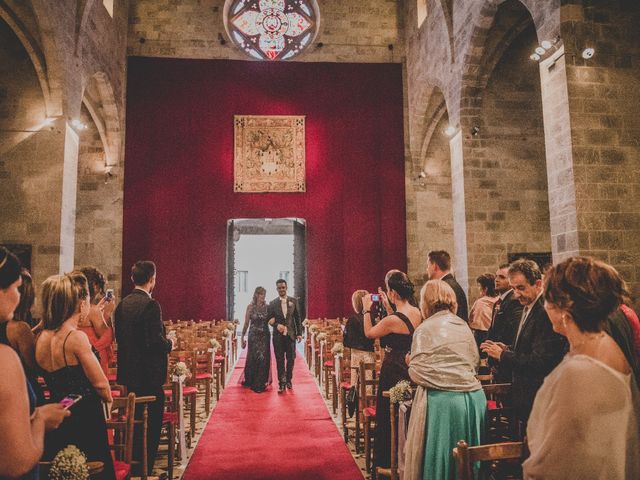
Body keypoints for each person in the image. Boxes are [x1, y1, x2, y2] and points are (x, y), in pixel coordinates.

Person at [524, 257, 640, 479]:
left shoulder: (578, 372)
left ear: (563, 307)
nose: (544, 306)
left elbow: (556, 459)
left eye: (547, 299)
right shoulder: (605, 342)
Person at [35, 271, 115, 479]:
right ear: (79, 304)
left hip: (57, 412)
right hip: (84, 417)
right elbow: (100, 384)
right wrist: (109, 399)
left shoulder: (42, 337)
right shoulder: (75, 337)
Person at [404, 280, 486, 479]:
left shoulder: (425, 328)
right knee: (469, 459)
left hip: (444, 403)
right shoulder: (463, 326)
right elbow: (473, 362)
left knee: (443, 458)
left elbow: (418, 372)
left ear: (425, 302)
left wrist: (410, 363)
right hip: (473, 398)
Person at [0, 247, 68, 479]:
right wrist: (40, 419)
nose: (19, 296)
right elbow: (16, 463)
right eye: (17, 287)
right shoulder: (5, 359)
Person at [481, 259, 567, 431]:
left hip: (539, 396)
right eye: (513, 288)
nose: (516, 294)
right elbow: (527, 347)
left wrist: (503, 355)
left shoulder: (544, 311)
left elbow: (540, 361)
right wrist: (508, 348)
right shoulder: (528, 306)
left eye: (521, 288)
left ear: (538, 284)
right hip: (526, 396)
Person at [115, 260, 173, 474]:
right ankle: (145, 469)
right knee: (151, 426)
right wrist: (170, 343)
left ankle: (133, 465)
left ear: (132, 278)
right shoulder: (151, 305)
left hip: (129, 376)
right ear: (152, 280)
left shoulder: (122, 304)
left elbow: (119, 337)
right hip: (149, 377)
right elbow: (154, 342)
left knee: (135, 423)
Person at [362, 270, 421, 471]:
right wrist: (388, 308)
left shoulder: (392, 320)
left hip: (393, 368)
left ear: (393, 292)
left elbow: (370, 333)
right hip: (409, 365)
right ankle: (408, 457)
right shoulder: (417, 311)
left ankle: (389, 460)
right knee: (406, 413)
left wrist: (366, 311)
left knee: (390, 414)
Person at [486, 263, 523, 382]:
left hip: (505, 358)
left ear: (511, 280)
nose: (496, 280)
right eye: (496, 276)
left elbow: (511, 332)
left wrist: (501, 354)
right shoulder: (499, 301)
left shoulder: (514, 301)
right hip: (497, 356)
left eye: (502, 277)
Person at [77, 266, 116, 375]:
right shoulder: (93, 311)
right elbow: (106, 336)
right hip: (95, 357)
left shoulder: (76, 306)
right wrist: (108, 313)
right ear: (95, 286)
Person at [267, 279, 302, 393]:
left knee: (291, 359)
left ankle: (288, 380)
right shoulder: (272, 303)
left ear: (286, 288)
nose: (281, 289)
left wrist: (299, 333)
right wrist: (276, 325)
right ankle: (281, 383)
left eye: (283, 287)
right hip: (278, 337)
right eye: (279, 288)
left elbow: (297, 318)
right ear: (277, 289)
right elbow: (269, 319)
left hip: (291, 335)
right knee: (280, 360)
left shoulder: (293, 301)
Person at [240, 286, 272, 393]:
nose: (263, 296)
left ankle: (260, 382)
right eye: (262, 294)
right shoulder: (250, 307)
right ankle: (251, 379)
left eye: (264, 294)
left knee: (263, 358)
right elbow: (246, 324)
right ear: (257, 295)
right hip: (253, 336)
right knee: (254, 357)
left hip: (264, 336)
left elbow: (272, 321)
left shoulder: (268, 307)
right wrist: (242, 338)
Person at [343, 290, 375, 387]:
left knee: (356, 382)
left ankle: (357, 400)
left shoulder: (352, 319)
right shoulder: (371, 318)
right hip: (369, 353)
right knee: (368, 382)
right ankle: (368, 400)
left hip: (357, 354)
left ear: (355, 303)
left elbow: (347, 341)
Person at [426, 250, 468, 322]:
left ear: (435, 266)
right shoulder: (452, 284)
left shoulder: (444, 287)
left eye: (428, 265)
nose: (427, 269)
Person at [468, 273, 498, 347]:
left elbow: (472, 321)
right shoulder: (499, 300)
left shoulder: (480, 303)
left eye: (479, 286)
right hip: (496, 336)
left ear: (486, 288)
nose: (478, 288)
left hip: (481, 336)